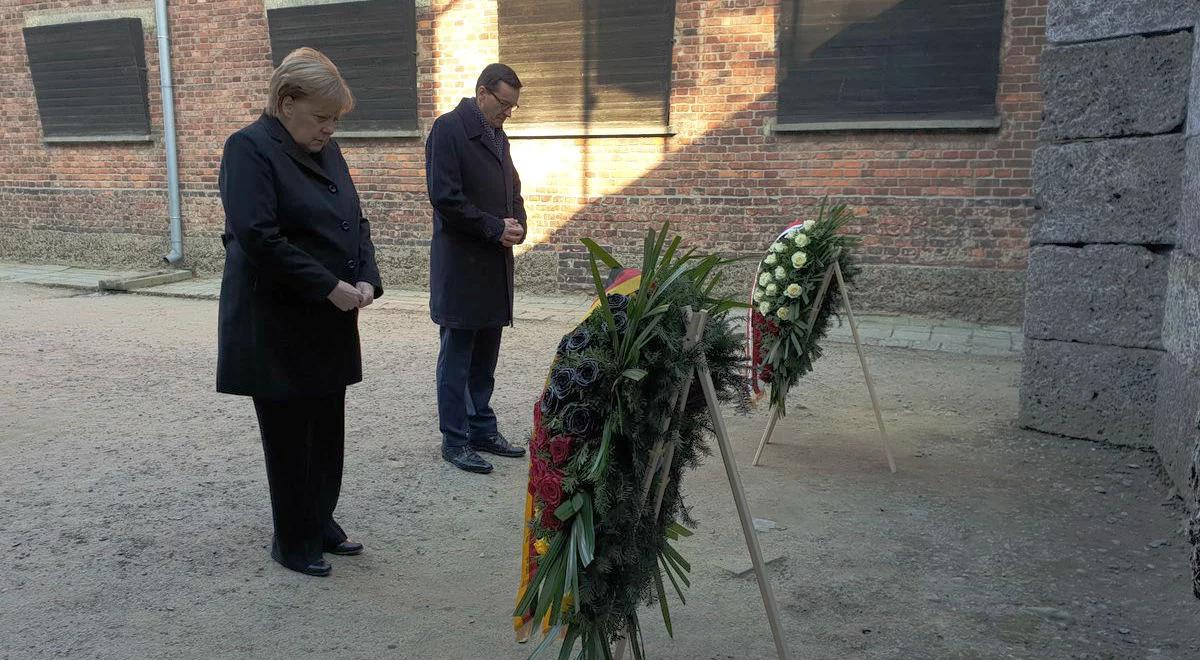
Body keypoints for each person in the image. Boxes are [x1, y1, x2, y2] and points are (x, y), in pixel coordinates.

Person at [215, 47, 382, 576]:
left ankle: (319, 517)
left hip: (329, 314)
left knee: (327, 426)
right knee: (290, 434)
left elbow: (355, 219)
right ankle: (292, 538)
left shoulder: (322, 147)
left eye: (335, 121)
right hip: (278, 321)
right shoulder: (248, 149)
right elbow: (258, 238)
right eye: (322, 118)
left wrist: (365, 276)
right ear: (287, 102)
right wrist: (326, 285)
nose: (330, 130)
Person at [425, 63, 529, 474]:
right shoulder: (449, 129)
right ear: (483, 93)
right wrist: (493, 227)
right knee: (458, 356)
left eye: (513, 107)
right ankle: (455, 439)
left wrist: (519, 224)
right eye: (504, 104)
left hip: (492, 264)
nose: (508, 113)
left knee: (485, 354)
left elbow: (512, 190)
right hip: (462, 266)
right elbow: (445, 198)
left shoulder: (497, 136)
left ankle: (482, 428)